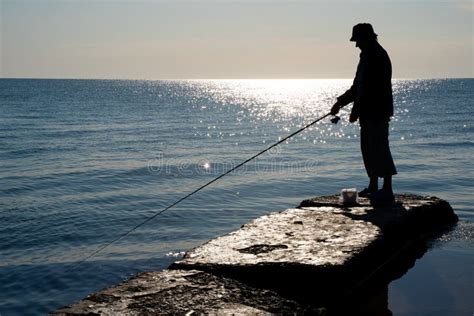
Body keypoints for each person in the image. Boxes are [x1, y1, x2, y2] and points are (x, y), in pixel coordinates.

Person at [331, 23, 397, 203]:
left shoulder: (377, 56)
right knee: (368, 149)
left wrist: (354, 110)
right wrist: (340, 102)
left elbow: (370, 89)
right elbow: (357, 87)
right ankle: (374, 185)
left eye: (357, 40)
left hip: (378, 111)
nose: (356, 44)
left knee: (380, 148)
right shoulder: (367, 56)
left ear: (367, 38)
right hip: (368, 112)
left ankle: (387, 189)